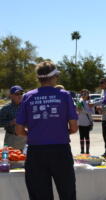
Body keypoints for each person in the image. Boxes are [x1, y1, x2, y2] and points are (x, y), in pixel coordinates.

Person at [16, 61, 78, 200]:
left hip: (36, 152)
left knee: (40, 195)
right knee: (67, 193)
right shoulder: (64, 95)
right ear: (54, 76)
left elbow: (19, 130)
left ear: (39, 78)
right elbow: (74, 128)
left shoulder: (28, 96)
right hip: (60, 151)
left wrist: (34, 134)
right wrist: (59, 132)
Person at [0, 85, 27, 150]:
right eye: (17, 94)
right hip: (10, 138)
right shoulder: (6, 108)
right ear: (11, 96)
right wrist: (11, 122)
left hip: (24, 138)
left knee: (24, 159)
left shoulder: (26, 107)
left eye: (21, 93)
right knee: (7, 158)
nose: (20, 96)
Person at [97, 78, 106, 156]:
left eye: (102, 83)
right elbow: (102, 101)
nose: (100, 85)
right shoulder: (103, 91)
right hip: (104, 117)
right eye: (100, 83)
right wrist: (100, 108)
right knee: (105, 136)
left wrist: (94, 104)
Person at [77, 89, 94, 154]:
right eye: (83, 94)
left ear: (88, 95)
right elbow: (77, 111)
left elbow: (92, 112)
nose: (84, 95)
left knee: (87, 137)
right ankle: (82, 151)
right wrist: (78, 110)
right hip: (80, 122)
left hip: (87, 122)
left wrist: (83, 111)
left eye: (85, 94)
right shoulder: (79, 101)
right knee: (81, 137)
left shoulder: (90, 102)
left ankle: (87, 151)